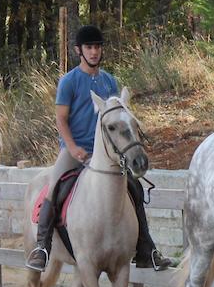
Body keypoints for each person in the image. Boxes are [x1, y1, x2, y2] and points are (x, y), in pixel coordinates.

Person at [25, 24, 174, 272]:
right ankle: (42, 247)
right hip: (76, 150)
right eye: (89, 47)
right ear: (79, 51)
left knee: (134, 188)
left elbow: (115, 117)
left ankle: (147, 249)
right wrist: (72, 148)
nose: (94, 52)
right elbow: (61, 119)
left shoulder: (108, 81)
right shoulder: (69, 81)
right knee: (54, 187)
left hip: (106, 152)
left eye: (97, 47)